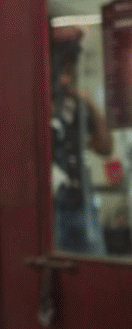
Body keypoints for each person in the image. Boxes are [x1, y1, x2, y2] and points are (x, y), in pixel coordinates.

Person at [50, 32, 111, 255]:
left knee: (94, 263)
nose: (65, 80)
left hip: (81, 206)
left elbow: (105, 147)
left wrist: (91, 105)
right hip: (51, 211)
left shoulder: (75, 105)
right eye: (61, 72)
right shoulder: (35, 106)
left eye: (69, 71)